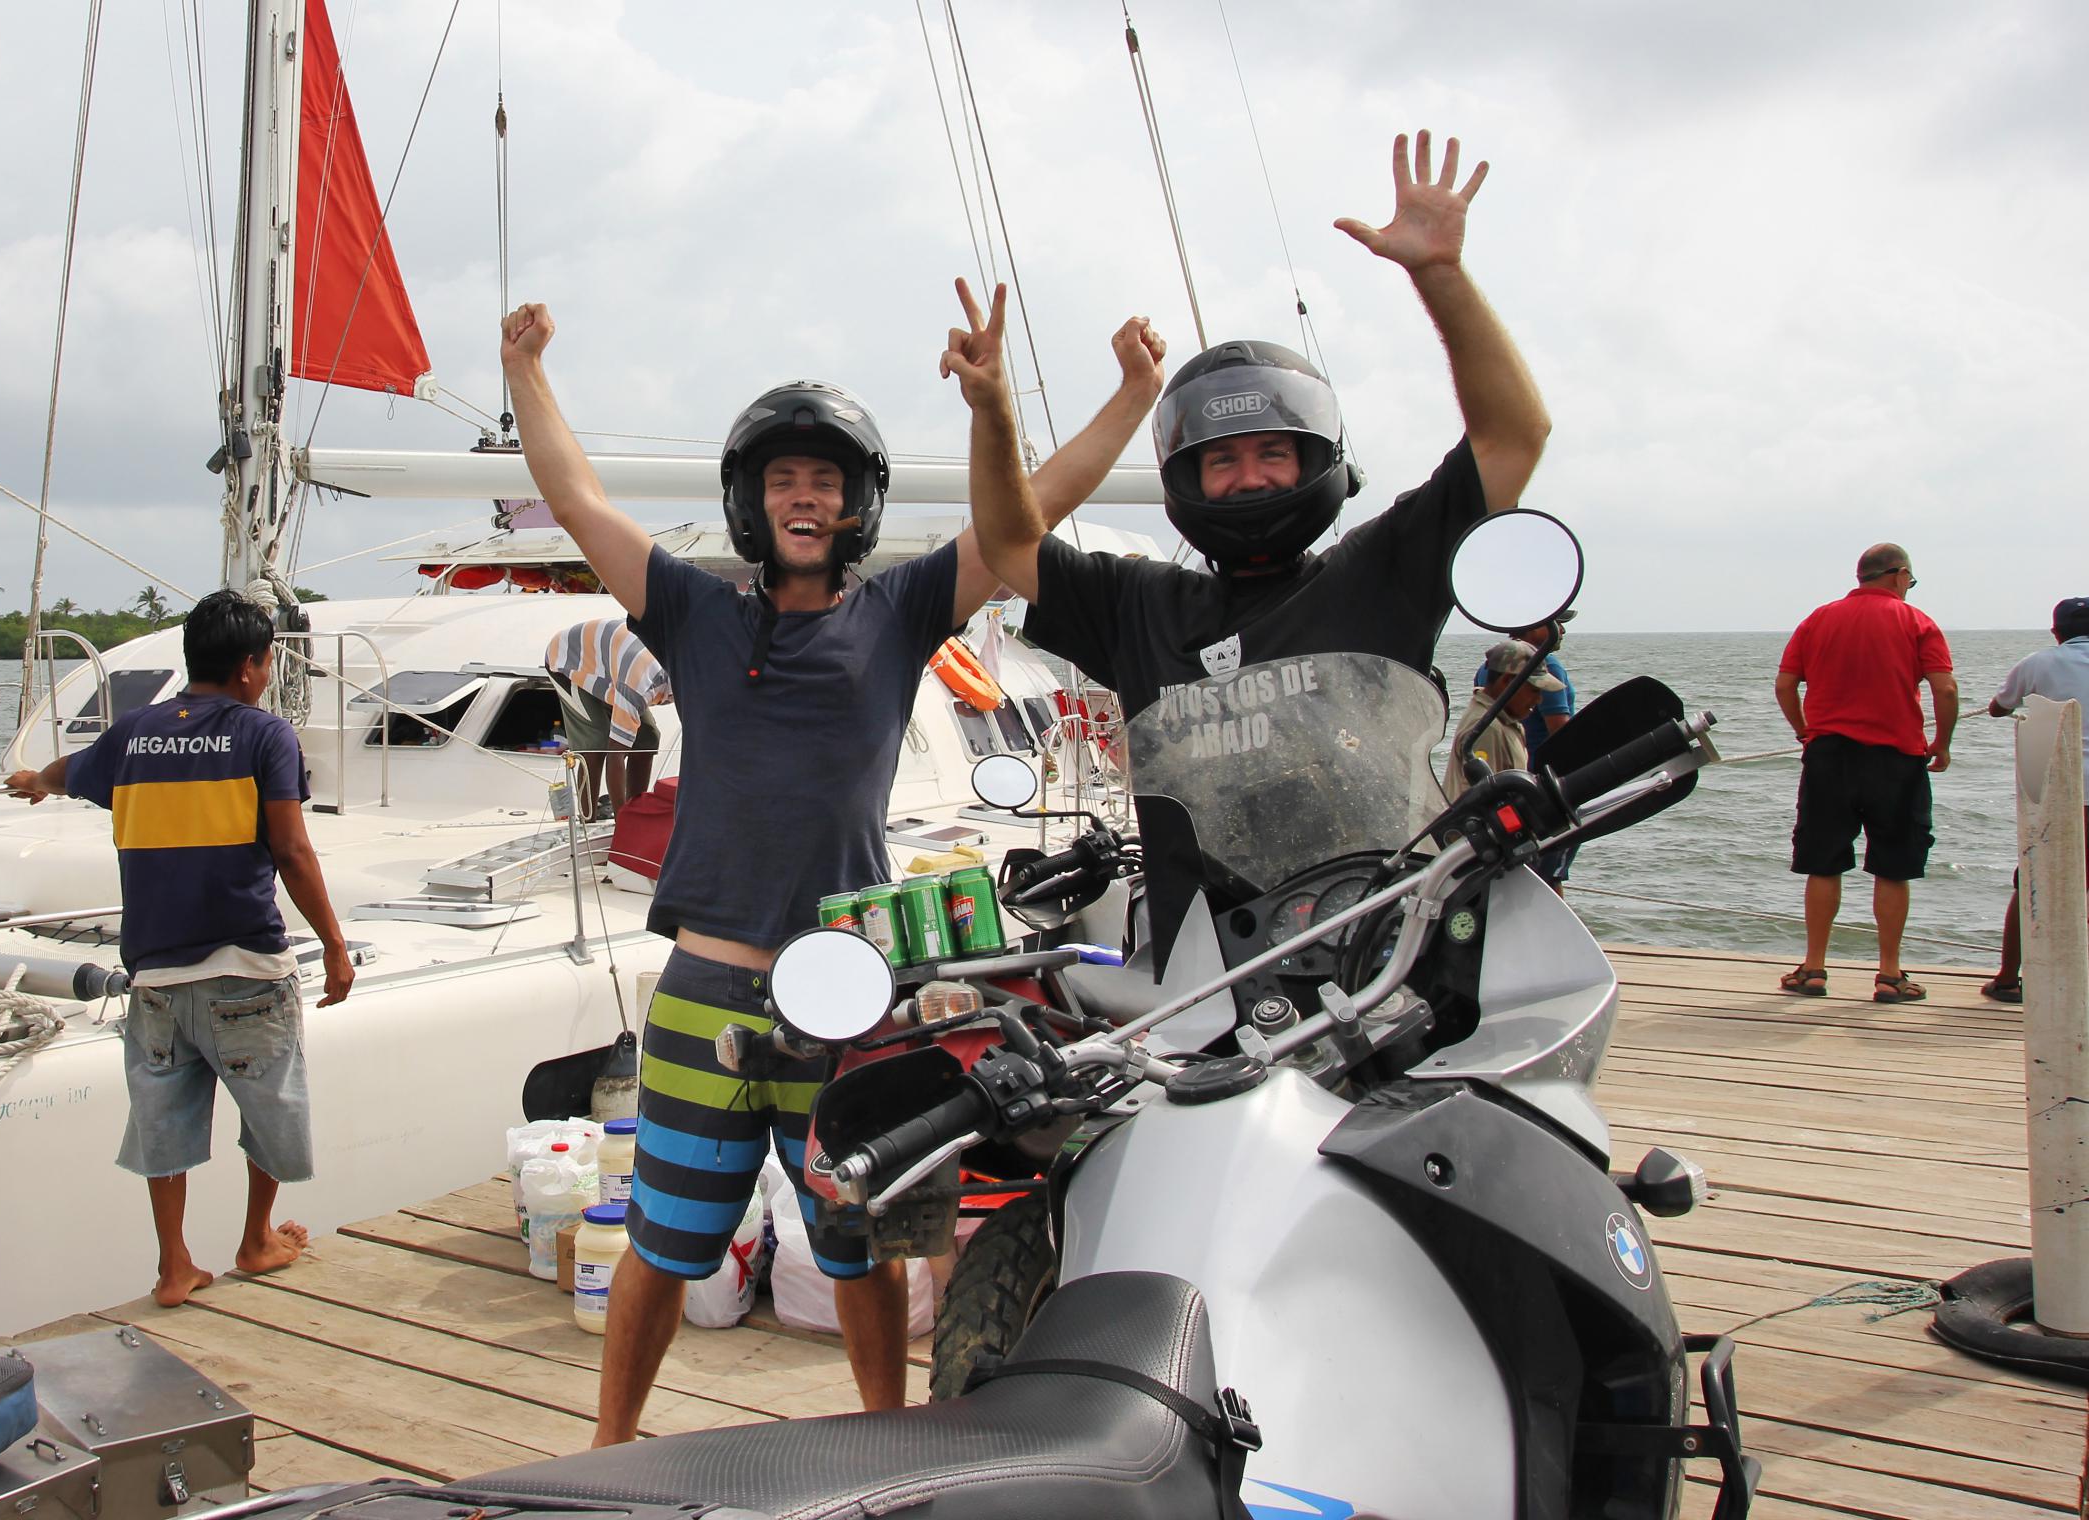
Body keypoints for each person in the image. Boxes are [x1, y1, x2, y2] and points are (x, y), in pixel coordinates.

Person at [500, 298, 1166, 1446]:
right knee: (664, 1242)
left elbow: (1033, 507)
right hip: (704, 992)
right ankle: (610, 1447)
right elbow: (579, 505)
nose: (803, 495)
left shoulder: (900, 611)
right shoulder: (694, 614)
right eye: (783, 480)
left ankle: (887, 1443)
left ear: (858, 504)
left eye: (825, 479)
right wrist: (525, 374)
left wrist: (1127, 397)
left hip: (853, 996)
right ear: (750, 502)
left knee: (862, 1240)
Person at [948, 130, 1551, 955]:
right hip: (1205, 978)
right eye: (1222, 460)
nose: (1250, 478)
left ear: (1316, 460)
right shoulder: (1141, 603)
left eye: (1273, 453)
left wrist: (1439, 274)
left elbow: (1513, 437)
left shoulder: (1381, 573)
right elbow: (1009, 541)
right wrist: (993, 410)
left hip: (1379, 953)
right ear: (1186, 477)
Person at [5, 589, 354, 1307]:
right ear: (251, 666)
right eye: (266, 662)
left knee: (161, 1118)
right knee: (268, 1106)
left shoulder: (134, 733)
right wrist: (335, 947)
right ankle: (256, 1240)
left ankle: (173, 1267)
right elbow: (291, 850)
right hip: (246, 966)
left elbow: (73, 770)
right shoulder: (265, 735)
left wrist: (37, 781)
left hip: (156, 974)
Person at [1772, 544, 1957, 1002]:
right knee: (1893, 866)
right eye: (1910, 581)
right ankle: (1889, 974)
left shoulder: (1818, 620)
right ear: (1900, 575)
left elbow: (1785, 684)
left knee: (1823, 862)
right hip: (1896, 758)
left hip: (1829, 756)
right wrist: (1943, 742)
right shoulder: (1917, 622)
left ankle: (1814, 968)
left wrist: (1804, 731)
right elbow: (1945, 688)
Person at [1980, 596, 2089, 1001]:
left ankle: (2008, 978)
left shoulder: (2039, 663)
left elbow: (1998, 707)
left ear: (2056, 632)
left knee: (2030, 879)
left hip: (2061, 790)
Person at [1474, 616, 1580, 891]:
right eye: (1555, 622)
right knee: (1550, 875)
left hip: (1513, 784)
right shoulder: (1547, 666)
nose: (1562, 630)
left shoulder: (1489, 668)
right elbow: (1561, 732)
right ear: (1533, 626)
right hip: (1544, 788)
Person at [545, 616, 673, 819]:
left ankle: (635, 812)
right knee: (596, 742)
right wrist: (622, 824)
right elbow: (616, 754)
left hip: (613, 666)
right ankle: (589, 818)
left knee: (648, 738)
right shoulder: (640, 685)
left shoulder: (687, 673)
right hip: (569, 661)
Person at [1443, 640, 1565, 799]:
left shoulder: (1501, 720)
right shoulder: (1488, 730)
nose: (1538, 699)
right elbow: (1483, 802)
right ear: (1506, 681)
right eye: (1534, 690)